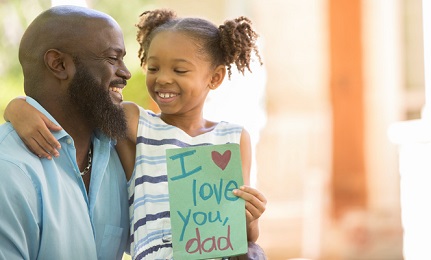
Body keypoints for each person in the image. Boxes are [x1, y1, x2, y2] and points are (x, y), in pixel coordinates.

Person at [5, 9, 268, 260]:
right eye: (153, 68)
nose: (162, 79)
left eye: (179, 70)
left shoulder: (233, 138)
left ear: (216, 78)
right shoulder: (136, 125)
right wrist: (17, 108)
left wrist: (250, 217)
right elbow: (78, 105)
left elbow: (240, 231)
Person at [0, 5, 131, 259]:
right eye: (112, 58)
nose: (125, 72)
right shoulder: (9, 170)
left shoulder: (120, 151)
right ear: (59, 64)